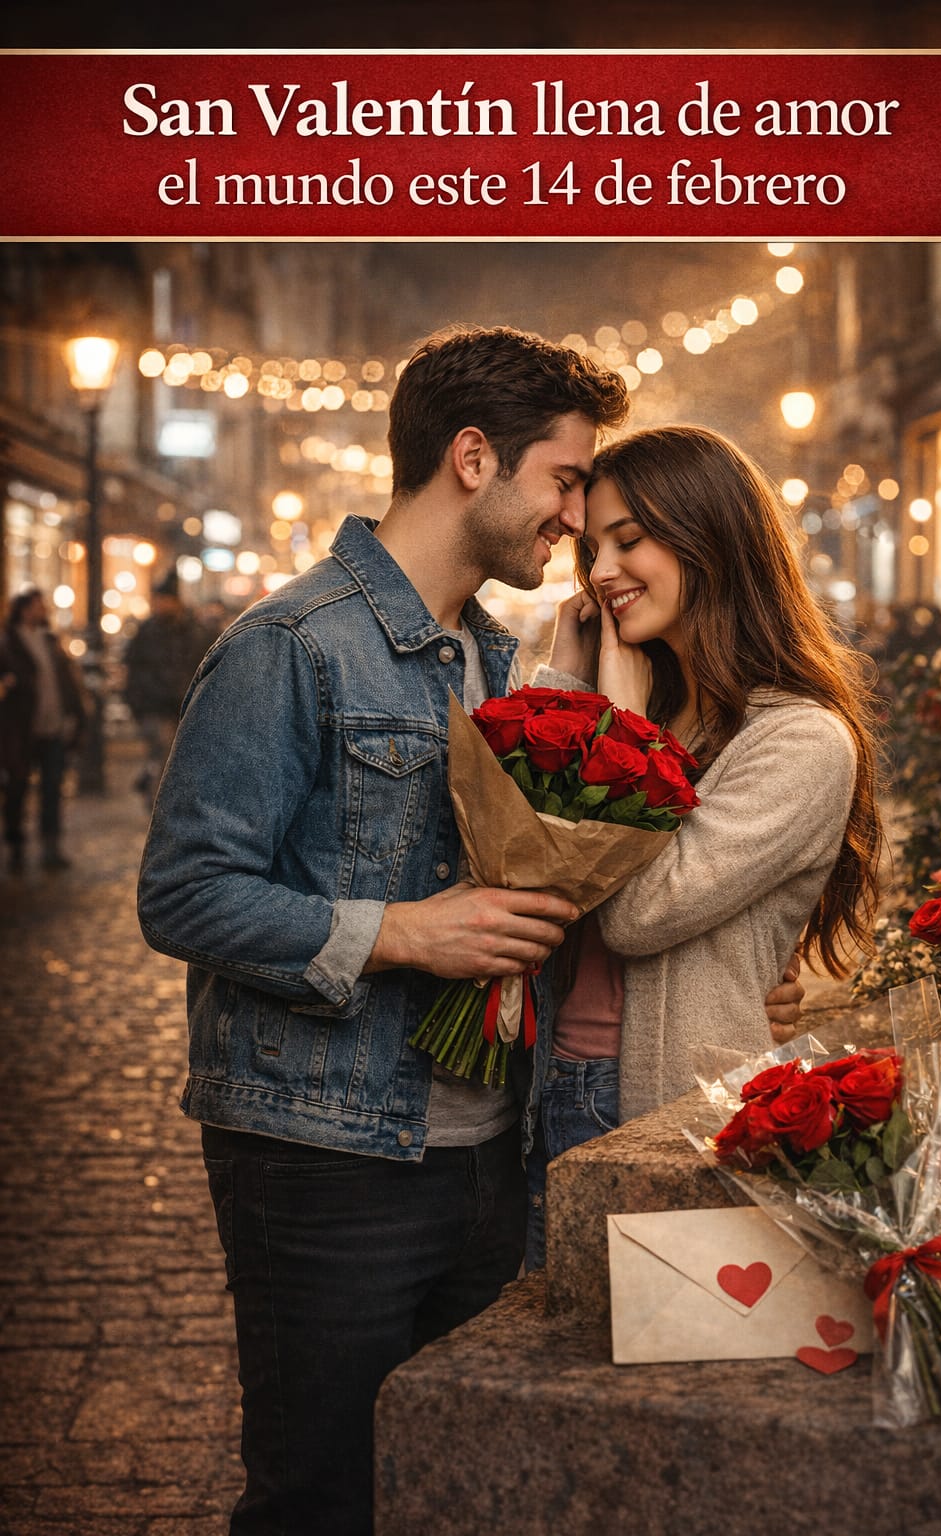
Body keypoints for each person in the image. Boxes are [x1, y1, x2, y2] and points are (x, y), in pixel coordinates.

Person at [136, 329, 803, 1536]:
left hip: (496, 1150)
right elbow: (182, 892)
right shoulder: (292, 645)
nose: (571, 520)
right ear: (472, 456)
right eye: (562, 483)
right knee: (323, 1490)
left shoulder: (502, 660)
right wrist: (403, 936)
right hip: (329, 1154)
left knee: (461, 1485)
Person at [524, 424, 883, 1268]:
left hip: (660, 1102)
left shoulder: (798, 741)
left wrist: (617, 724)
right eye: (593, 549)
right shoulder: (655, 699)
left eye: (630, 540)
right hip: (545, 1087)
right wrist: (565, 688)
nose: (602, 571)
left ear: (708, 538)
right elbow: (526, 860)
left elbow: (642, 912)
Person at [0, 587, 87, 873]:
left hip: (53, 727)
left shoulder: (50, 641)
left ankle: (51, 846)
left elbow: (66, 680)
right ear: (25, 610)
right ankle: (16, 845)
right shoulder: (8, 643)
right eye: (39, 606)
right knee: (19, 787)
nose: (44, 610)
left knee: (52, 788)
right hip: (22, 730)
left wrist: (74, 713)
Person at [123, 568, 211, 804]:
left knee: (182, 760)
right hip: (157, 707)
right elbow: (133, 670)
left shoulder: (194, 630)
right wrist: (140, 704)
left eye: (163, 600)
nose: (158, 605)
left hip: (185, 707)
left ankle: (162, 794)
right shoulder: (148, 632)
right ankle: (161, 806)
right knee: (165, 757)